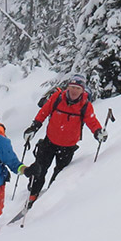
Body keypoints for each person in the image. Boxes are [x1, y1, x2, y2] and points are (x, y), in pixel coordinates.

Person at [23, 73, 105, 205]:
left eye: (78, 88)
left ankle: (49, 199)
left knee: (59, 175)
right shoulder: (57, 98)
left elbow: (91, 120)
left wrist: (98, 132)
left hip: (68, 147)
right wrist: (34, 126)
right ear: (68, 87)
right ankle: (33, 195)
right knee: (40, 169)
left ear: (82, 90)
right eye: (72, 87)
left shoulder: (85, 105)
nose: (74, 91)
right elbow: (44, 111)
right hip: (50, 141)